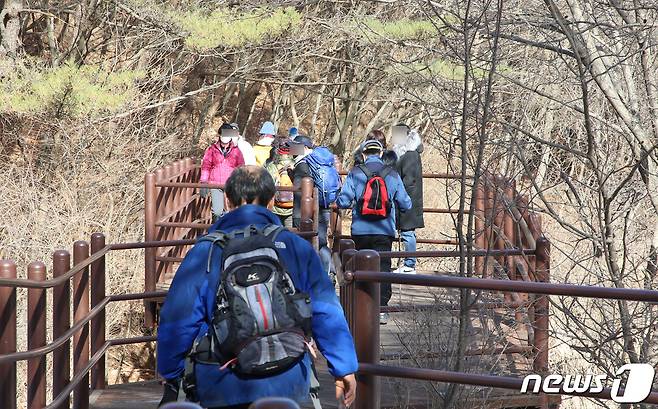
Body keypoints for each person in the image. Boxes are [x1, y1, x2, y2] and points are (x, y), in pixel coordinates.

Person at [157, 166, 358, 409]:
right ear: (272, 201)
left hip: (222, 382)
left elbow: (179, 317)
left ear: (228, 201)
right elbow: (325, 309)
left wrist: (170, 371)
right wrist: (344, 366)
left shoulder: (206, 252)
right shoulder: (294, 246)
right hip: (288, 379)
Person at [337, 139, 412, 324]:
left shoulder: (355, 173)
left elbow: (343, 201)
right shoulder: (392, 174)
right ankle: (381, 309)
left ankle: (360, 306)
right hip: (384, 230)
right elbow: (406, 203)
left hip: (360, 230)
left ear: (364, 154)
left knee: (359, 266)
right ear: (380, 153)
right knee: (383, 267)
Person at [288, 136, 335, 277]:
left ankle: (311, 277)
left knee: (308, 242)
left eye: (295, 146)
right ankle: (330, 273)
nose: (291, 149)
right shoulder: (319, 162)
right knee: (321, 242)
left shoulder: (302, 165)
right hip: (324, 207)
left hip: (306, 211)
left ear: (305, 148)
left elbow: (299, 190)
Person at [392, 124, 425, 274]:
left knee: (407, 232)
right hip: (406, 198)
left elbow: (409, 180)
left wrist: (399, 193)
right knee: (406, 231)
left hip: (408, 199)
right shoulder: (403, 152)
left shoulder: (410, 154)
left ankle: (409, 265)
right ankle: (406, 263)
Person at [200, 124, 245, 222]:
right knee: (217, 211)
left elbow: (241, 167)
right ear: (219, 136)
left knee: (231, 211)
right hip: (215, 184)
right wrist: (203, 182)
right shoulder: (211, 150)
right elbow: (206, 166)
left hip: (231, 184)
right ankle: (216, 228)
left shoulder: (236, 151)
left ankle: (228, 231)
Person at [264, 138, 295, 227]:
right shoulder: (296, 164)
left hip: (275, 206)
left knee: (275, 233)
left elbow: (266, 185)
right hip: (292, 207)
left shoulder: (272, 166)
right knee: (290, 233)